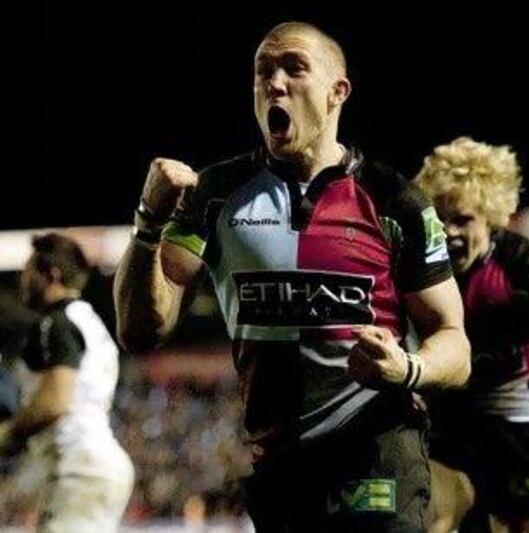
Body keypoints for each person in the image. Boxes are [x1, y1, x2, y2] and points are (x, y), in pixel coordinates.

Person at [113, 21, 470, 532]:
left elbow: (454, 342)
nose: (273, 83)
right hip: (280, 466)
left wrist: (406, 367)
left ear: (337, 92)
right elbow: (139, 328)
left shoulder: (395, 202)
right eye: (263, 71)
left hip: (377, 449)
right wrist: (148, 221)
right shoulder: (215, 195)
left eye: (294, 68)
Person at [414, 137, 529, 533]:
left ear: (491, 216)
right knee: (421, 514)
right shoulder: (419, 269)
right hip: (452, 426)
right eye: (439, 219)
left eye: (462, 219)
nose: (448, 232)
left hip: (521, 421)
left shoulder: (521, 262)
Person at [0, 233, 134, 531]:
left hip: (79, 466)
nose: (23, 279)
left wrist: (7, 434)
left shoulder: (56, 323)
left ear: (51, 275)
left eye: (29, 270)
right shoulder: (90, 322)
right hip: (94, 463)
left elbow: (55, 401)